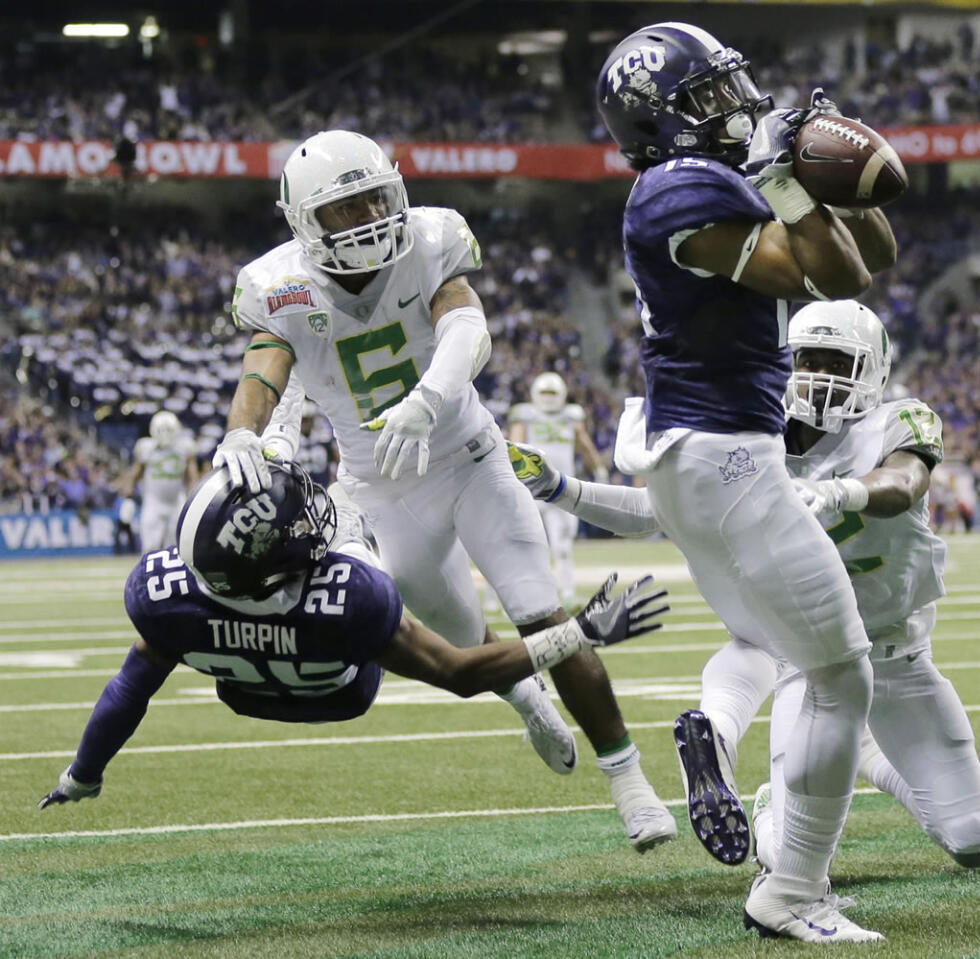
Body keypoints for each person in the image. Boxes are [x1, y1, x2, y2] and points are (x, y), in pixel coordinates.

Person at [218, 130, 676, 852]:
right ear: (307, 220)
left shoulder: (431, 238)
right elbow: (262, 374)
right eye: (347, 206)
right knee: (458, 639)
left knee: (540, 612)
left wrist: (429, 399)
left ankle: (628, 779)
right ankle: (527, 700)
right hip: (379, 491)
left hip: (468, 457)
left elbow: (467, 326)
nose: (370, 213)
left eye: (376, 194)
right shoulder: (279, 285)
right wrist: (242, 433)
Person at [509, 301, 980, 881]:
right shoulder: (753, 437)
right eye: (806, 359)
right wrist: (561, 488)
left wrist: (842, 493)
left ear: (872, 369)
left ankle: (860, 752)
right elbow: (656, 510)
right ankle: (777, 805)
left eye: (835, 361)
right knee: (784, 854)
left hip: (901, 657)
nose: (816, 376)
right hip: (815, 659)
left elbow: (905, 480)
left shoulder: (897, 422)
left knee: (974, 841)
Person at [597, 23, 898, 941]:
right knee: (842, 673)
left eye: (730, 87)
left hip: (712, 457)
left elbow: (867, 259)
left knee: (774, 647)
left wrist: (818, 173)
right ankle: (792, 889)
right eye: (702, 99)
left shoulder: (705, 177)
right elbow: (827, 279)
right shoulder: (674, 192)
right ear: (657, 124)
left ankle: (725, 750)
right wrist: (781, 181)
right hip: (724, 456)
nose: (731, 108)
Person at [39, 462, 667, 808]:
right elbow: (459, 673)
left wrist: (83, 774)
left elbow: (129, 691)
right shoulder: (346, 597)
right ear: (272, 570)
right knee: (360, 528)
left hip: (252, 692)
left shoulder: (166, 599)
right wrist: (579, 632)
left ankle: (529, 702)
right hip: (341, 685)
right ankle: (530, 700)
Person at [508, 373, 608, 606]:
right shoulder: (526, 415)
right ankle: (520, 596)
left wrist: (598, 468)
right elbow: (513, 448)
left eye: (552, 393)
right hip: (529, 491)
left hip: (561, 489)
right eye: (544, 393)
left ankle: (567, 592)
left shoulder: (571, 416)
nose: (548, 398)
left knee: (562, 545)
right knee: (523, 544)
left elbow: (583, 443)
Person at [126, 410, 199, 551]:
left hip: (176, 501)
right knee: (150, 546)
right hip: (153, 501)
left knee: (176, 547)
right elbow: (134, 474)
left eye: (168, 430)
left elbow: (192, 477)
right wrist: (128, 497)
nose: (165, 434)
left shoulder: (184, 447)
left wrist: (192, 497)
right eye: (162, 430)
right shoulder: (146, 447)